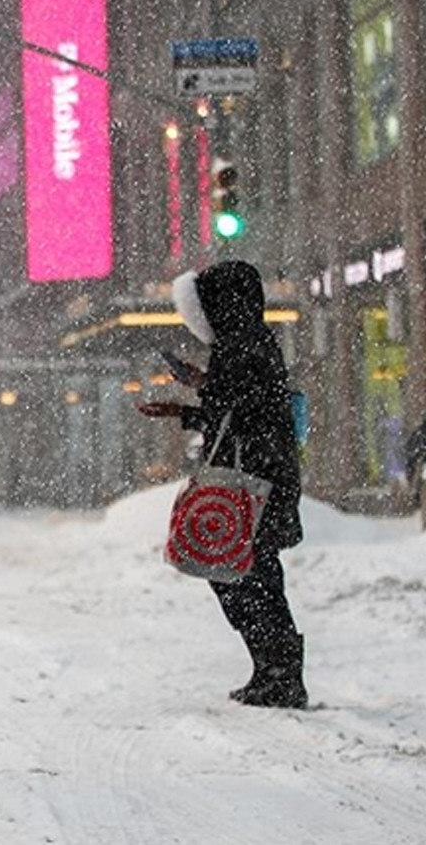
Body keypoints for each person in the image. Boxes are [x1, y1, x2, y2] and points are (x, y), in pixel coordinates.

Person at [137, 260, 307, 709]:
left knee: (246, 576)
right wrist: (200, 389)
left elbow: (243, 414)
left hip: (253, 482)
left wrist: (186, 409)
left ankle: (280, 673)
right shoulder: (247, 341)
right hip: (259, 478)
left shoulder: (243, 345)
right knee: (247, 574)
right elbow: (241, 404)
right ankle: (273, 669)